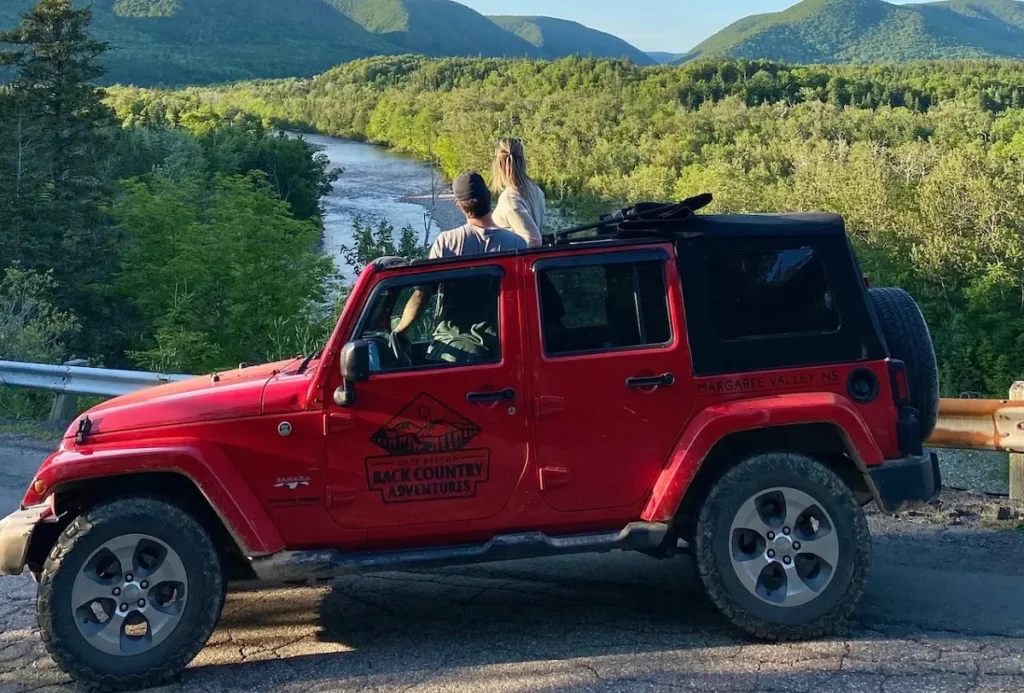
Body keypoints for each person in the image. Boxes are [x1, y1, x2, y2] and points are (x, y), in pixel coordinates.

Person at [392, 171, 527, 364]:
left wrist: (400, 330)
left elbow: (422, 295)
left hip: (450, 353)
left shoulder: (447, 242)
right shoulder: (517, 244)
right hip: (500, 353)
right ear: (489, 198)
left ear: (459, 206)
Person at [491, 137, 546, 248]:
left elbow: (533, 240)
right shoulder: (535, 190)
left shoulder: (510, 200)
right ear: (523, 161)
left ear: (498, 164)